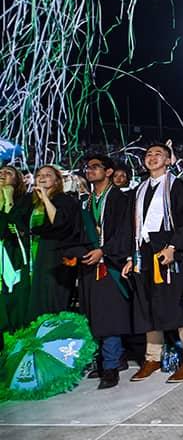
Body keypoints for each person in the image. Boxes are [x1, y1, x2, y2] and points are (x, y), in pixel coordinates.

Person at [124, 143, 183, 383]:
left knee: (178, 306)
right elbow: (132, 226)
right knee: (148, 304)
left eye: (158, 154)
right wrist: (130, 256)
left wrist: (173, 247)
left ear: (168, 160)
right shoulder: (139, 189)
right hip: (144, 253)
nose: (152, 157)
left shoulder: (177, 186)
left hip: (169, 251)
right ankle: (152, 357)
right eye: (148, 154)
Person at [69, 155, 133, 389]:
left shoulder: (120, 199)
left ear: (108, 172)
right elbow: (77, 232)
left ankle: (111, 367)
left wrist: (104, 251)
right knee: (93, 315)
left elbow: (126, 231)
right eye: (88, 167)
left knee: (110, 317)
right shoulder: (84, 202)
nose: (90, 170)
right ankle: (104, 361)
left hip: (110, 265)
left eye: (96, 167)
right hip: (88, 265)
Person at [25, 165, 81, 322]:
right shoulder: (32, 202)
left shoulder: (64, 200)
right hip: (37, 253)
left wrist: (45, 198)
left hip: (55, 255)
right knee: (37, 297)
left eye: (48, 175)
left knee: (51, 298)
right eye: (39, 175)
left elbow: (58, 222)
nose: (42, 178)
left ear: (57, 181)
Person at [0, 166, 31, 334]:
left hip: (14, 259)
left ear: (18, 180)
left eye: (8, 173)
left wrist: (8, 199)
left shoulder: (26, 201)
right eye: (0, 172)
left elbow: (14, 228)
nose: (2, 175)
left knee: (14, 305)